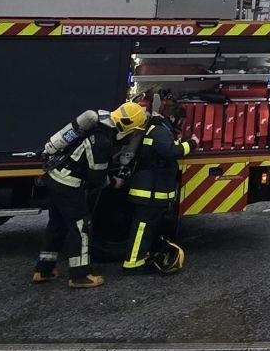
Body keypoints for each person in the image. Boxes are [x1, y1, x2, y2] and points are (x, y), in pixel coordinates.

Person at [33, 107, 120, 286]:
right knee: (81, 228)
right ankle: (80, 275)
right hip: (69, 186)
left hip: (54, 178)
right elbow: (97, 177)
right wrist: (114, 183)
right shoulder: (102, 142)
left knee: (56, 225)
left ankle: (43, 270)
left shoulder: (86, 132)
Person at [118, 101, 194, 272]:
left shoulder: (159, 129)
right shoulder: (160, 130)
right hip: (147, 191)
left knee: (147, 226)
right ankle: (133, 263)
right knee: (142, 227)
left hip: (150, 190)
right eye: (180, 121)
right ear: (173, 117)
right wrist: (192, 143)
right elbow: (170, 152)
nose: (181, 125)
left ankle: (141, 257)